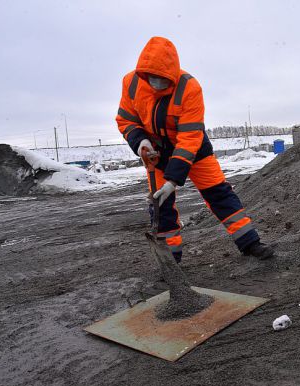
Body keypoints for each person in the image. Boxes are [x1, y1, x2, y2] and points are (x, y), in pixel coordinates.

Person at [116, 37, 274, 263]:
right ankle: (171, 261)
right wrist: (140, 141)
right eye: (152, 78)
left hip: (194, 150)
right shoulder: (131, 83)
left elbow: (190, 137)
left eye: (162, 79)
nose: (156, 84)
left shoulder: (189, 87)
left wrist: (173, 180)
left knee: (219, 194)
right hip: (156, 154)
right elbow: (126, 120)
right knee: (161, 205)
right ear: (143, 72)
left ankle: (250, 242)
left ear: (172, 73)